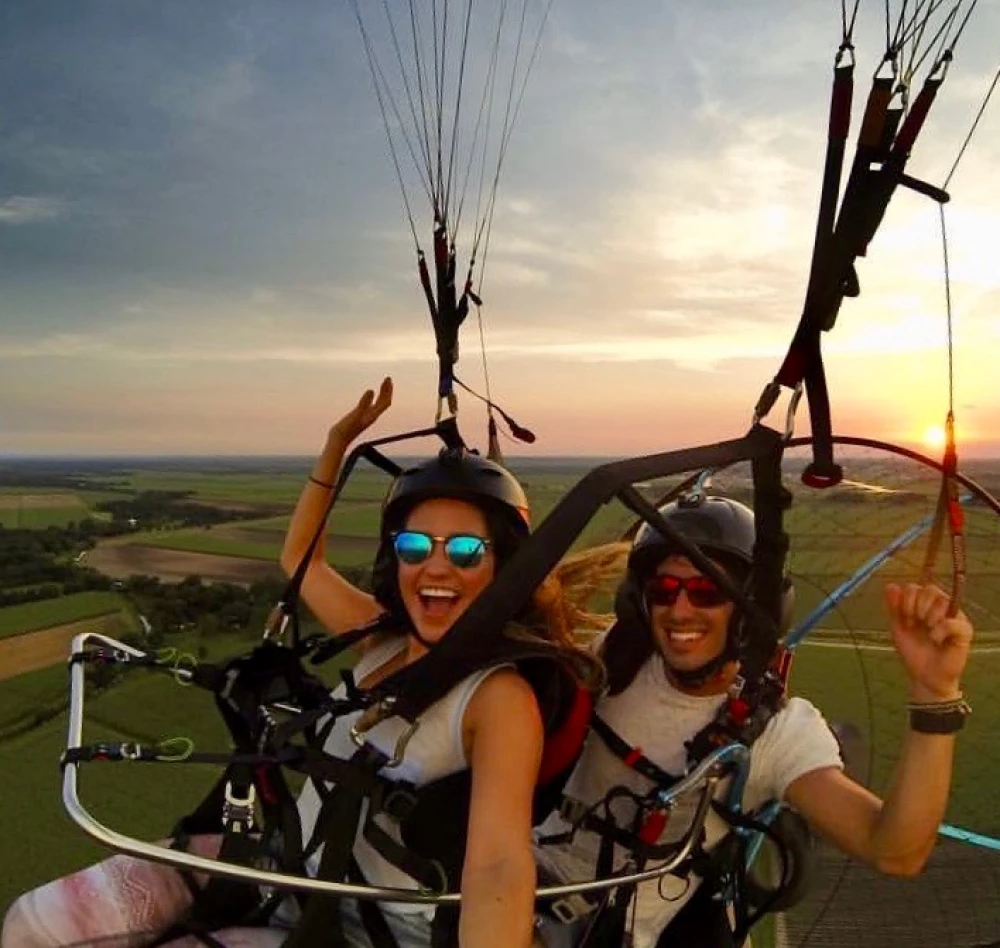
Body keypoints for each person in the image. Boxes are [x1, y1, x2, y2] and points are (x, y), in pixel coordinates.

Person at [1, 378, 601, 948]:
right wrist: (334, 448)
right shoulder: (383, 640)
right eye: (415, 546)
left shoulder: (497, 699)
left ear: (505, 568)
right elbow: (299, 559)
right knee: (33, 925)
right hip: (286, 862)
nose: (436, 568)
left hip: (367, 924)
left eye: (467, 550)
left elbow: (498, 865)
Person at [531, 492, 974, 948]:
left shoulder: (778, 734)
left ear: (750, 609)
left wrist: (935, 693)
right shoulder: (617, 655)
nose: (680, 611)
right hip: (520, 872)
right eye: (664, 591)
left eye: (706, 592)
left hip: (594, 930)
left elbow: (895, 850)